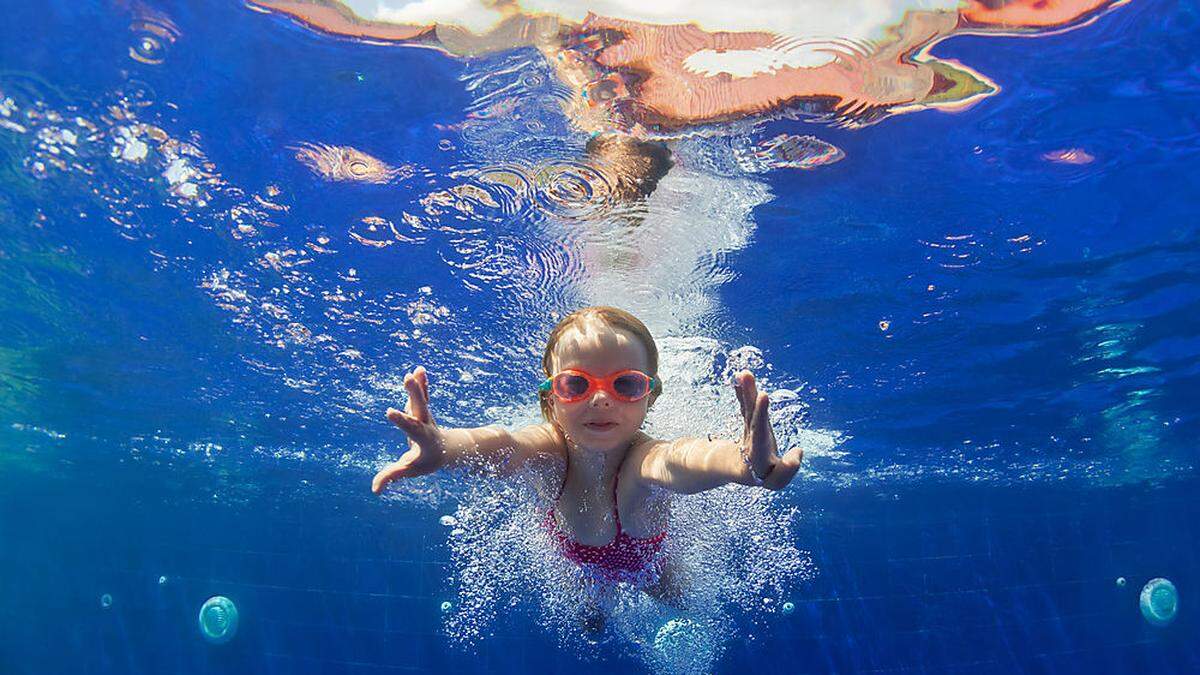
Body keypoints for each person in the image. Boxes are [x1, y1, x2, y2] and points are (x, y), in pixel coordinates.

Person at [371, 306, 805, 627]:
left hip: (651, 561)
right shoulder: (548, 450)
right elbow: (503, 443)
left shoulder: (643, 458)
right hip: (576, 562)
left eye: (626, 385)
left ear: (650, 396)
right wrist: (445, 447)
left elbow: (683, 459)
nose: (601, 399)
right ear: (550, 398)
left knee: (683, 604)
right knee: (590, 621)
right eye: (576, 384)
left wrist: (743, 463)